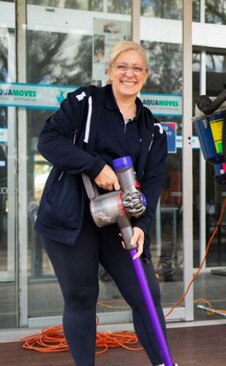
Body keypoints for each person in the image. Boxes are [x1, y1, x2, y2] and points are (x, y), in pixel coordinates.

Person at [35, 41, 171, 366]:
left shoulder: (153, 130)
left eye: (137, 68)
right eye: (122, 66)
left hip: (121, 223)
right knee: (82, 297)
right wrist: (95, 167)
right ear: (110, 71)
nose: (129, 73)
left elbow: (151, 185)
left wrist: (142, 226)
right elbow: (48, 141)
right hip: (72, 220)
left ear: (146, 75)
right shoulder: (85, 103)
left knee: (146, 297)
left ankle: (165, 363)